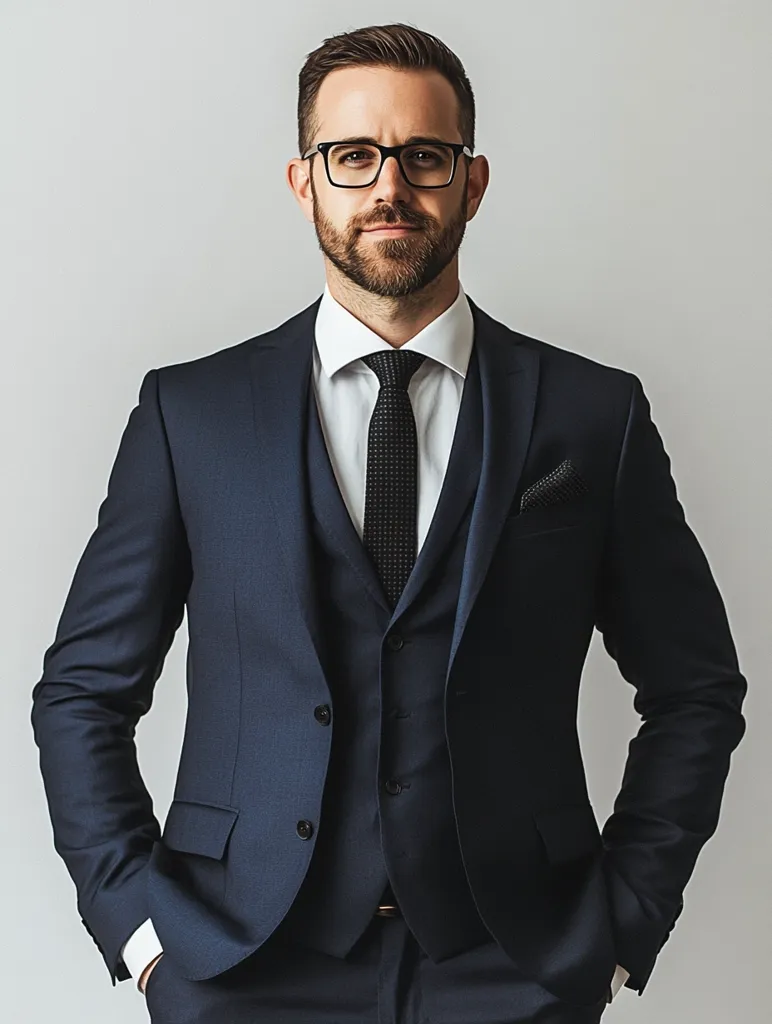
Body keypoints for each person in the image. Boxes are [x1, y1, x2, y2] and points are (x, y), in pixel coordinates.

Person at [30, 21, 748, 1024]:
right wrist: (143, 935)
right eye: (353, 155)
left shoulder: (591, 416)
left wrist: (622, 927)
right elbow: (81, 693)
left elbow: (695, 688)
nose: (388, 187)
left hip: (513, 963)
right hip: (242, 962)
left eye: (424, 156)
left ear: (473, 180)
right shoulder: (190, 415)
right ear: (303, 180)